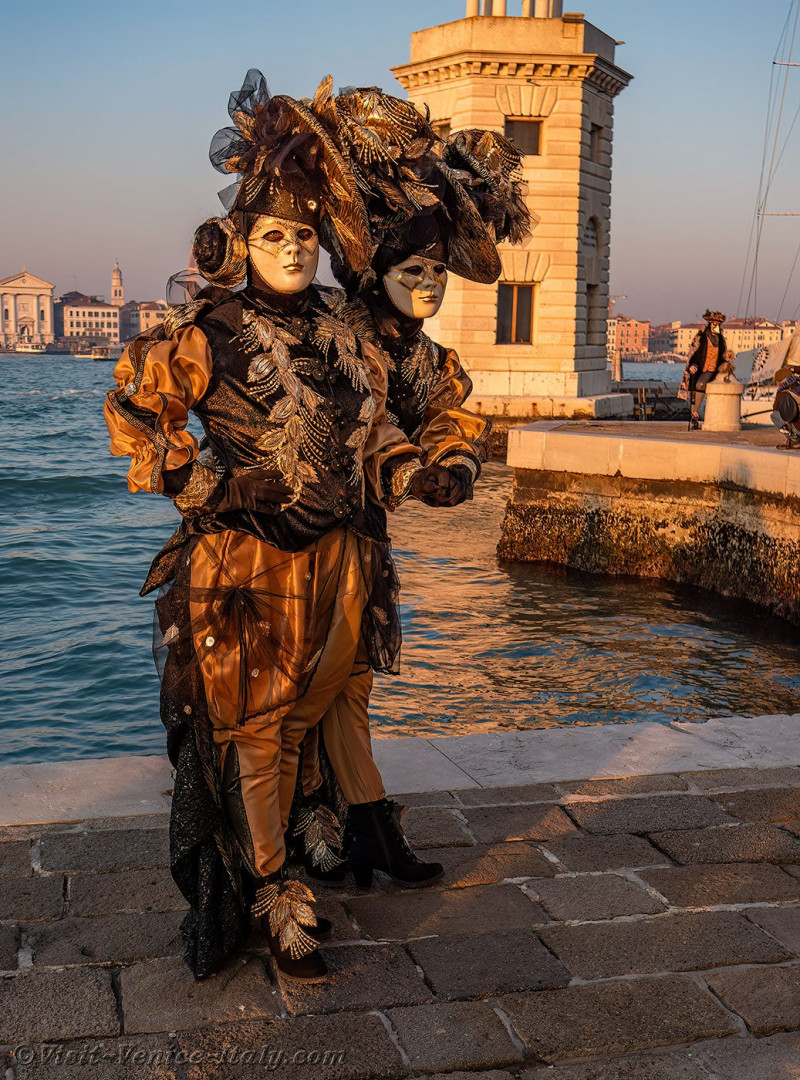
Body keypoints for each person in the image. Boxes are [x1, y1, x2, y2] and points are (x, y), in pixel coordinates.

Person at [104, 70, 447, 982]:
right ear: (241, 241)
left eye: (303, 234)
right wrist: (215, 488)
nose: (292, 249)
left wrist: (418, 469)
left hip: (338, 560)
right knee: (257, 729)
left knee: (304, 717)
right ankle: (272, 893)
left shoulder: (341, 333)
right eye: (273, 235)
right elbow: (140, 417)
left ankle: (322, 845)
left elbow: (371, 424)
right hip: (245, 564)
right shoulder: (207, 332)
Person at [287, 89, 533, 889]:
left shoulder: (422, 352)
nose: (429, 285)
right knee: (314, 686)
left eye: (436, 272)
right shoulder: (337, 336)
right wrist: (410, 471)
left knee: (351, 686)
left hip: (362, 540)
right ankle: (276, 833)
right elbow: (362, 420)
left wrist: (456, 463)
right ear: (375, 270)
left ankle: (366, 832)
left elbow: (445, 411)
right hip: (303, 542)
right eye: (411, 270)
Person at [679, 310, 730, 429]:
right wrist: (692, 365)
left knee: (700, 384)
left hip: (713, 370)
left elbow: (723, 356)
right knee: (693, 390)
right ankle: (694, 417)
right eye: (715, 324)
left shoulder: (721, 340)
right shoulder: (700, 337)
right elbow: (693, 353)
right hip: (699, 368)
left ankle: (695, 414)